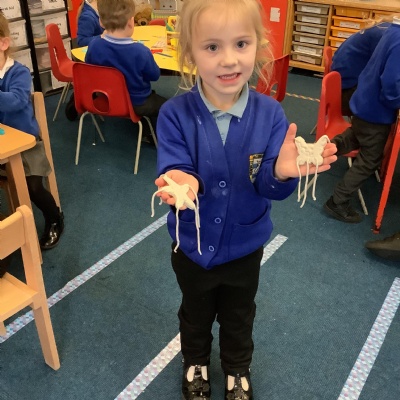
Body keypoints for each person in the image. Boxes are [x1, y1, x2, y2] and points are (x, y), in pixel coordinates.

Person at [152, 1, 337, 399]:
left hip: (245, 246)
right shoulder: (174, 115)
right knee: (195, 312)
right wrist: (183, 182)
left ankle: (237, 368)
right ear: (190, 53)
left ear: (258, 44)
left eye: (241, 43)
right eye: (212, 47)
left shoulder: (270, 115)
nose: (229, 59)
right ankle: (195, 361)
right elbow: (175, 167)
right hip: (192, 245)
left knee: (239, 314)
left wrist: (281, 172)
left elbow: (269, 186)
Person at [324, 16, 400, 224]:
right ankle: (338, 202)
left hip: (363, 102)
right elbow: (391, 86)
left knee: (354, 136)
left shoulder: (392, 30)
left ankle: (320, 153)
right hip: (375, 112)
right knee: (370, 159)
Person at [0, 12, 64, 251]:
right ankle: (7, 229)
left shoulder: (19, 73)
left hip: (27, 144)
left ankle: (54, 217)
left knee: (33, 188)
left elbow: (16, 101)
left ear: (3, 43)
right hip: (3, 146)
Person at [85, 0, 167, 140]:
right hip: (138, 102)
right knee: (167, 105)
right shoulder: (141, 51)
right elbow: (154, 75)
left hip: (106, 98)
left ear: (101, 22)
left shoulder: (94, 46)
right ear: (131, 22)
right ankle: (153, 136)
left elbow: (90, 67)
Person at [331, 18, 393, 116]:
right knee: (390, 99)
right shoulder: (386, 35)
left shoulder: (385, 28)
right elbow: (386, 73)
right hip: (345, 94)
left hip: (340, 85)